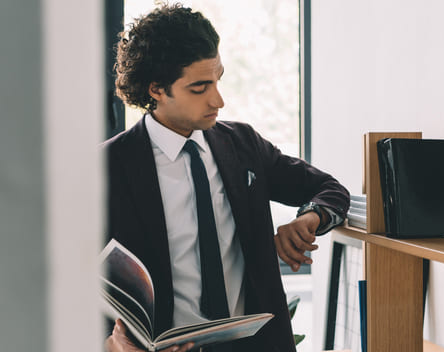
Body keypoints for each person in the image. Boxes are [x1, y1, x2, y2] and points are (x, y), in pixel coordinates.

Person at [103, 3, 349, 351]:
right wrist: (111, 344)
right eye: (199, 87)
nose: (218, 99)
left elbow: (329, 188)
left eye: (218, 79)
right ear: (156, 89)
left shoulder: (243, 145)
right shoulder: (108, 165)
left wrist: (309, 217)